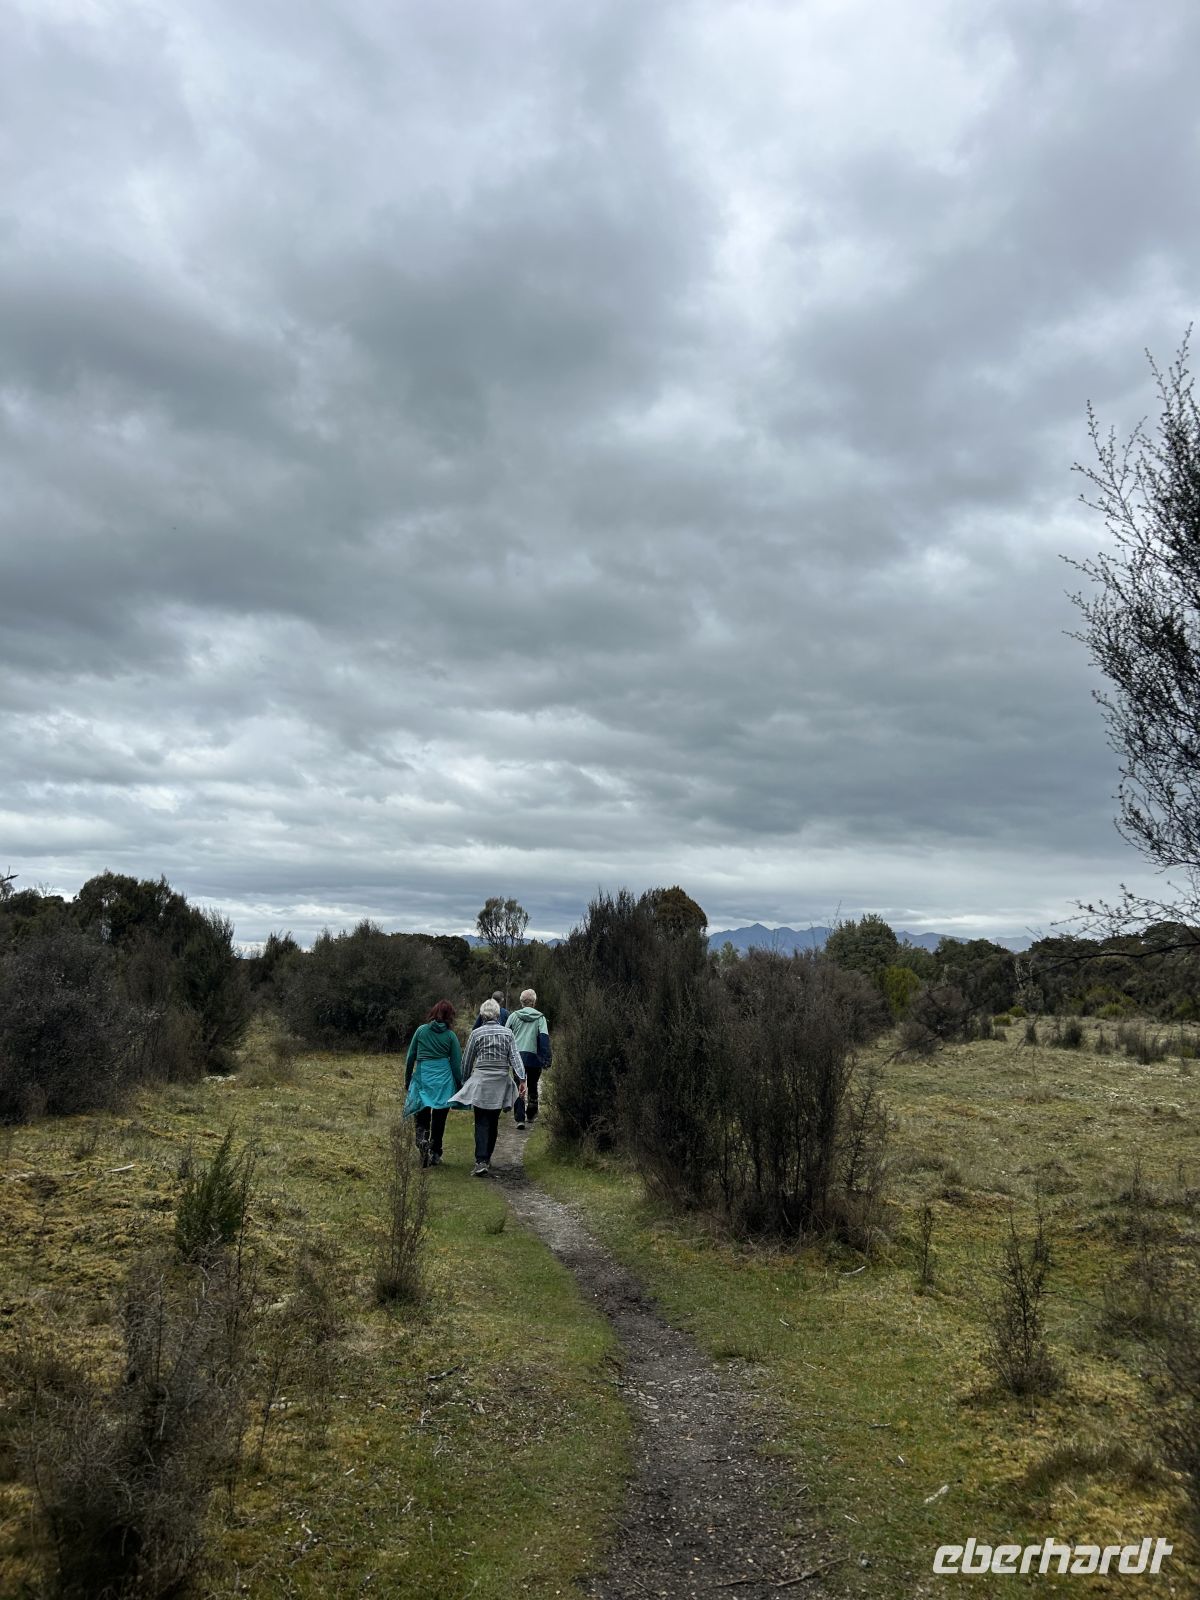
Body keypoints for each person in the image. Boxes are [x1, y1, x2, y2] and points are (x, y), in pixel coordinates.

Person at [450, 997, 525, 1175]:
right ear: (498, 1014)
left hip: (481, 1083)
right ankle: (487, 1157)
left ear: (482, 1015)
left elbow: (467, 1060)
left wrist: (464, 1080)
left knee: (481, 1121)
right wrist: (522, 1079)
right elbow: (515, 1058)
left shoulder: (476, 1034)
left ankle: (481, 1160)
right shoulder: (508, 1034)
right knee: (493, 1121)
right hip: (500, 1082)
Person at [403, 1000, 463, 1167]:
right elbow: (456, 1063)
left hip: (423, 1076)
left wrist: (408, 1080)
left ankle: (422, 1140)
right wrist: (459, 1085)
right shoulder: (451, 1036)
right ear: (450, 1016)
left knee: (422, 1114)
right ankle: (435, 1152)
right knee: (439, 1118)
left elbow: (410, 1057)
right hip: (443, 1080)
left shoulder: (421, 1031)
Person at [507, 988, 551, 1130]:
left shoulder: (514, 1016)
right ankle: (531, 1113)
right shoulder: (540, 1018)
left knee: (517, 1085)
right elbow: (544, 1039)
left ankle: (520, 1118)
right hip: (534, 1057)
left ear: (521, 1002)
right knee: (532, 1084)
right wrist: (546, 1058)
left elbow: (506, 1034)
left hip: (517, 1056)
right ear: (534, 1002)